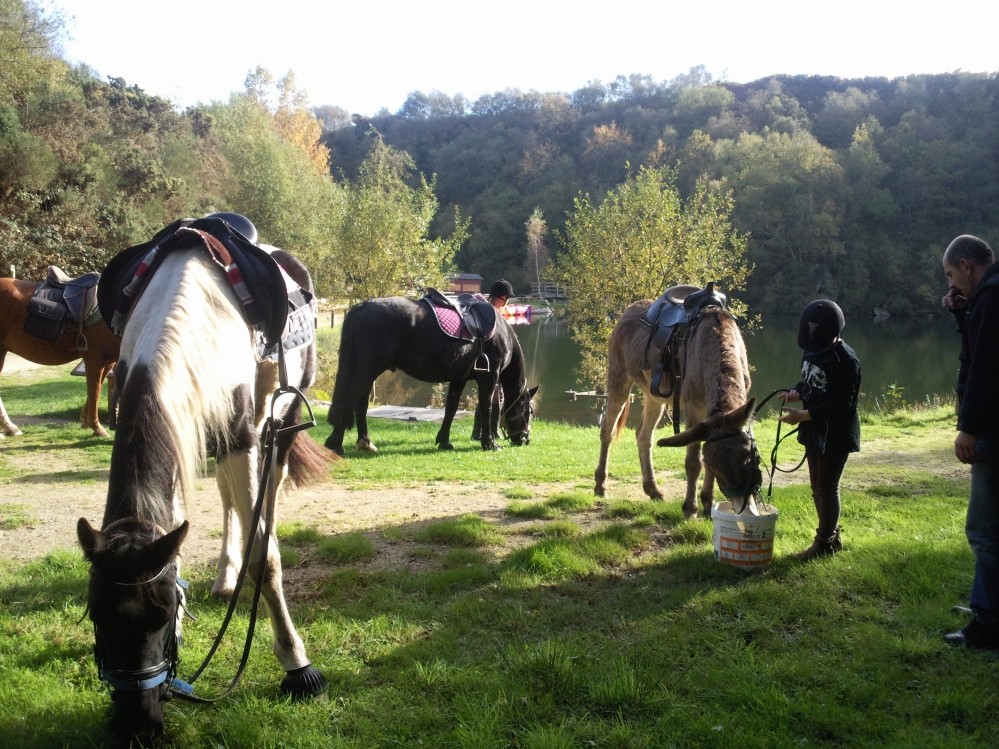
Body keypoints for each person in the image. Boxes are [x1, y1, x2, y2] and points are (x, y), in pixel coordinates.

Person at [940, 234, 999, 650]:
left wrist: (969, 427)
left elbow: (984, 369)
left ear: (966, 265)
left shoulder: (992, 300)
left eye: (951, 275)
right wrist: (964, 315)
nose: (951, 284)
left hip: (993, 431)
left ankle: (989, 624)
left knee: (983, 529)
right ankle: (987, 603)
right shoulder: (987, 299)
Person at [779, 300, 862, 560]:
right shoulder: (813, 350)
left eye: (819, 343)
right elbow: (810, 382)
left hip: (836, 434)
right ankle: (831, 537)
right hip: (815, 430)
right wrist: (796, 392)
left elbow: (841, 405)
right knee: (817, 487)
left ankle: (823, 542)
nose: (814, 349)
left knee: (827, 487)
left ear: (835, 334)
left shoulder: (846, 360)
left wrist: (803, 415)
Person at [472, 280, 514, 440]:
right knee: (493, 395)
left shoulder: (487, 311)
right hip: (490, 361)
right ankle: (482, 432)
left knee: (494, 395)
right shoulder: (491, 313)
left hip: (488, 361)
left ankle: (489, 431)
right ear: (504, 297)